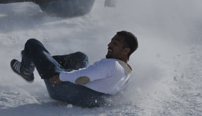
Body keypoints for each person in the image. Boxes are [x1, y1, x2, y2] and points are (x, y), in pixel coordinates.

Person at [9, 31, 138, 107]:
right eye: (111, 41)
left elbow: (83, 78)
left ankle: (26, 70)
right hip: (91, 98)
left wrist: (60, 77)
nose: (109, 45)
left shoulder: (111, 64)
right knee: (81, 57)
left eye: (115, 43)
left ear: (126, 51)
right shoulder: (126, 72)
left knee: (32, 44)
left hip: (66, 90)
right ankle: (35, 58)